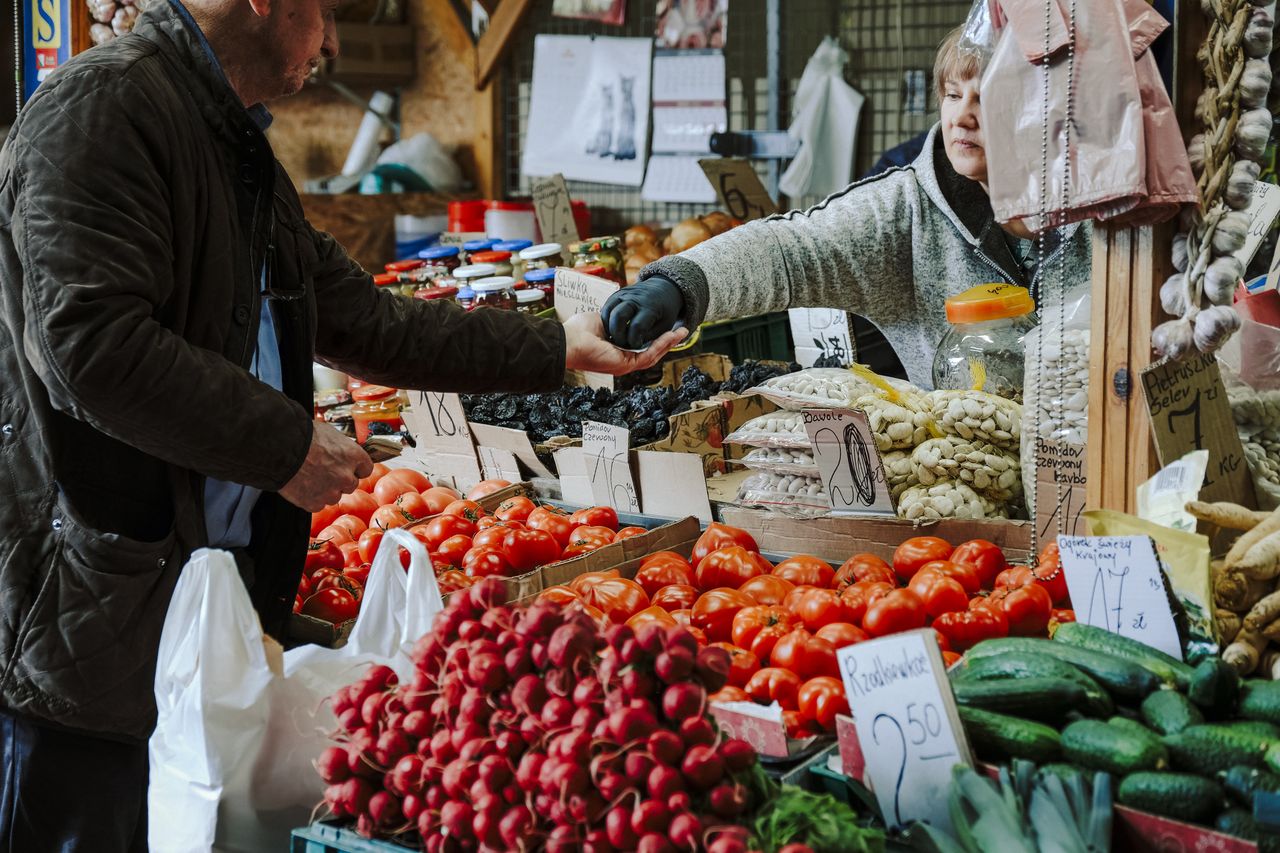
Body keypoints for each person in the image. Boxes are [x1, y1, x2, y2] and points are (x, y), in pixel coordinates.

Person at [0, 0, 685, 847]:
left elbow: (360, 319)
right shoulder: (101, 111)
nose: (328, 41)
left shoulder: (226, 138)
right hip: (101, 620)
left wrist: (557, 348)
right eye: (322, 11)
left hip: (193, 610)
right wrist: (285, 447)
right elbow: (92, 347)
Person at [602, 25, 1091, 390]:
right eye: (952, 95)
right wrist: (681, 283)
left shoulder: (1110, 209)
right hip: (964, 477)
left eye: (986, 100)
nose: (962, 116)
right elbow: (792, 249)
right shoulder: (906, 209)